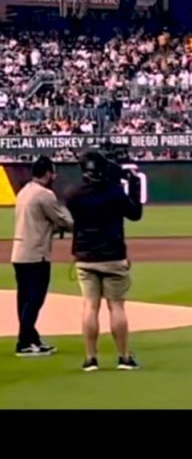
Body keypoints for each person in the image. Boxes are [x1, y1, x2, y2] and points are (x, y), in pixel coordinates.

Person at [64, 150, 143, 372]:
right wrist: (133, 187)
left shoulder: (72, 194)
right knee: (116, 306)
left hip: (85, 255)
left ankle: (91, 359)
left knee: (90, 306)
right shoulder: (115, 192)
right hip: (113, 255)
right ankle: (123, 357)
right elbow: (135, 214)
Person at [11, 156, 73, 357]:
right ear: (47, 173)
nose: (54, 176)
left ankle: (31, 338)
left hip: (19, 252)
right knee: (35, 300)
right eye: (53, 172)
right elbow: (62, 220)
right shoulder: (44, 194)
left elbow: (41, 221)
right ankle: (24, 342)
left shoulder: (24, 192)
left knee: (24, 299)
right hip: (36, 254)